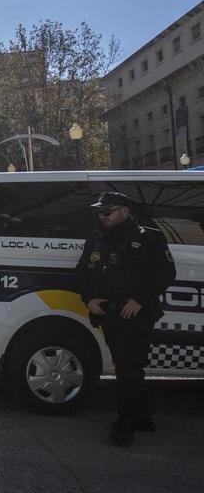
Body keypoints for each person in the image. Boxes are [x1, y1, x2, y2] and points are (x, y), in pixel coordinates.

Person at [76, 192, 176, 447]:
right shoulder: (96, 239)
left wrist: (139, 300)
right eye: (100, 212)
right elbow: (81, 273)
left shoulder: (148, 238)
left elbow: (165, 273)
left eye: (107, 211)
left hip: (135, 313)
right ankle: (143, 418)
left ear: (126, 211)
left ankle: (125, 424)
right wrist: (89, 299)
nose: (102, 216)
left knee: (128, 369)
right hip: (107, 313)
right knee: (126, 365)